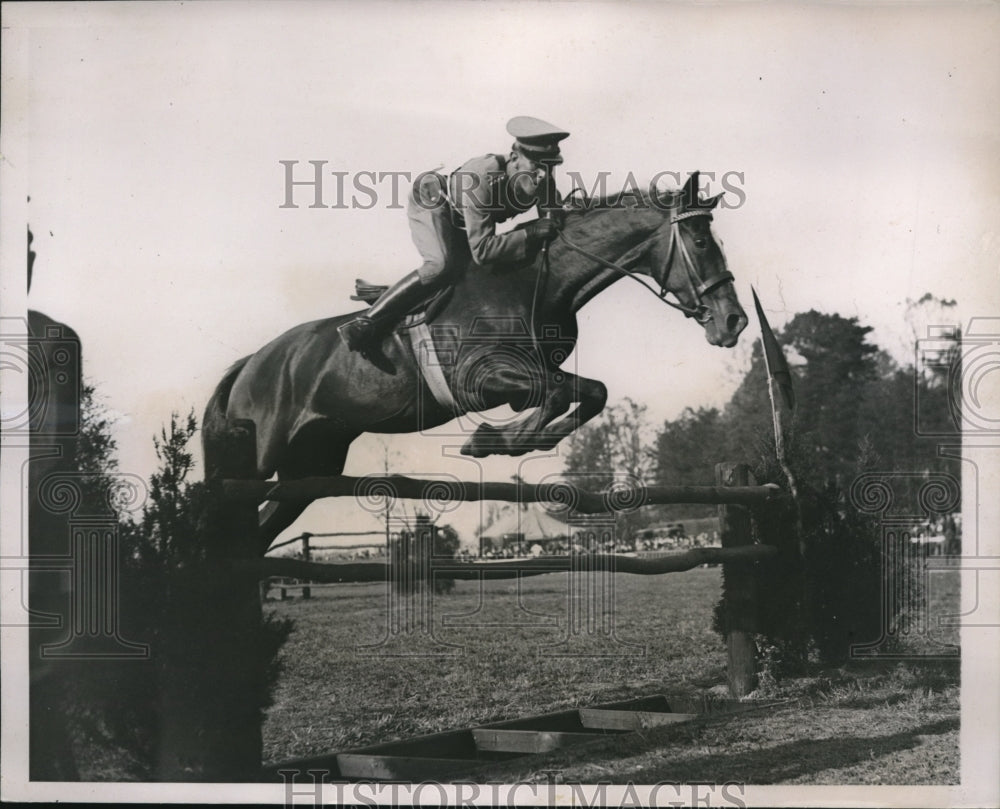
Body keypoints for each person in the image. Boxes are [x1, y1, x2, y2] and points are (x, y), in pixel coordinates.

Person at [337, 116, 569, 353]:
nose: (543, 175)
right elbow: (483, 250)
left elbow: (554, 214)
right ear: (515, 158)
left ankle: (387, 293)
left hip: (461, 219)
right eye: (537, 166)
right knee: (440, 266)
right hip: (433, 200)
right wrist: (530, 232)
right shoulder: (480, 177)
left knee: (469, 276)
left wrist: (558, 214)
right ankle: (363, 324)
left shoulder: (541, 178)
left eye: (549, 167)